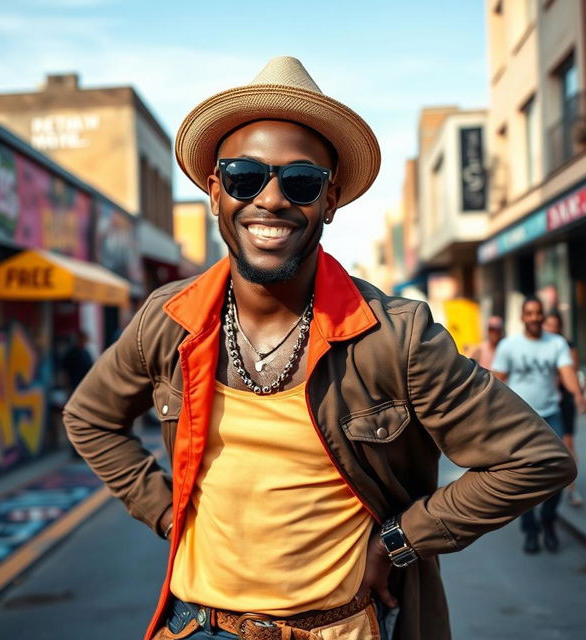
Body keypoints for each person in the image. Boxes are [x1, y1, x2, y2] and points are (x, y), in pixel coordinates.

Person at [64, 57, 576, 640]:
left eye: (301, 182)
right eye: (244, 177)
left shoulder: (395, 336)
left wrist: (403, 539)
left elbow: (535, 459)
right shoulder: (170, 319)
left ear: (329, 200)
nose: (273, 199)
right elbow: (89, 417)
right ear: (215, 194)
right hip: (197, 625)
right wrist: (162, 509)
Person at [492, 297, 586, 554]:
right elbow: (497, 380)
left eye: (538, 313)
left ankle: (548, 519)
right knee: (523, 476)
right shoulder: (509, 345)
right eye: (529, 313)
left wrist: (577, 395)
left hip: (550, 414)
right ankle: (531, 529)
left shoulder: (555, 343)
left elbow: (567, 372)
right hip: (519, 418)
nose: (534, 317)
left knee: (557, 472)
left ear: (543, 316)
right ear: (523, 317)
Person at [544, 309, 583, 507]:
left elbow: (572, 371)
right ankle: (550, 487)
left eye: (555, 325)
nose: (552, 328)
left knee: (568, 442)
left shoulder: (566, 345)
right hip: (546, 399)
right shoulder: (542, 344)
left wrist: (578, 396)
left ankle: (571, 489)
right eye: (548, 325)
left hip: (564, 399)